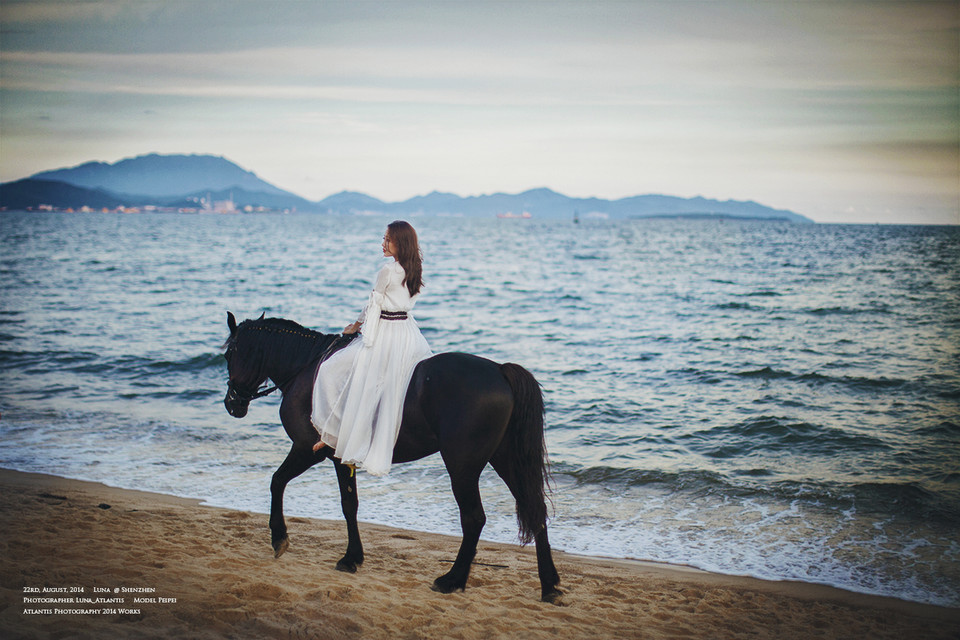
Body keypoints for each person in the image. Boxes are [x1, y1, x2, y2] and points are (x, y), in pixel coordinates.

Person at [310, 220, 433, 476]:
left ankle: (335, 436)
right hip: (407, 333)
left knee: (334, 370)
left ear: (400, 242)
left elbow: (374, 305)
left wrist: (356, 326)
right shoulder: (416, 268)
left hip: (387, 331)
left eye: (387, 239)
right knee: (387, 386)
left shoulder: (388, 270)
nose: (383, 243)